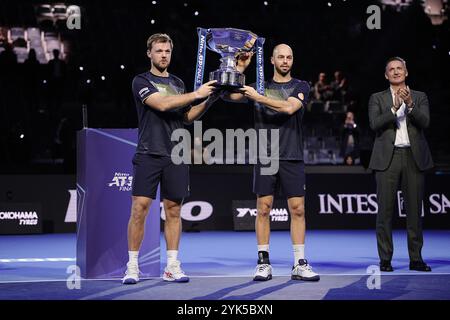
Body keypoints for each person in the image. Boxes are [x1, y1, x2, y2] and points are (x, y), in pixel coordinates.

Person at [123, 33, 218, 284]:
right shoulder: (141, 81)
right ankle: (132, 266)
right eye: (159, 51)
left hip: (176, 154)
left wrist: (210, 98)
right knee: (139, 209)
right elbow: (162, 104)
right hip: (148, 153)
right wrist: (196, 94)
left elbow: (186, 117)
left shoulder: (177, 82)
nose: (163, 55)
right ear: (149, 54)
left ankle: (172, 266)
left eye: (167, 51)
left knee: (174, 211)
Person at [223, 44, 320, 282]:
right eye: (281, 57)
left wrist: (259, 98)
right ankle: (263, 261)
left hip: (292, 155)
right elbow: (228, 95)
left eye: (289, 57)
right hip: (265, 156)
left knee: (298, 210)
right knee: (263, 209)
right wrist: (239, 68)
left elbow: (289, 108)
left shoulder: (301, 86)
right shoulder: (259, 86)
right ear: (272, 60)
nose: (285, 61)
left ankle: (299, 262)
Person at [368, 56, 433, 272]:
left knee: (414, 212)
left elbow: (425, 122)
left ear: (406, 72)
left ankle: (416, 259)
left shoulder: (420, 97)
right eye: (391, 69)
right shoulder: (377, 98)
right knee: (384, 213)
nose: (396, 72)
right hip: (388, 158)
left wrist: (410, 105)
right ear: (386, 75)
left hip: (414, 158)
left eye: (399, 68)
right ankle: (385, 259)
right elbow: (374, 124)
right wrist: (394, 109)